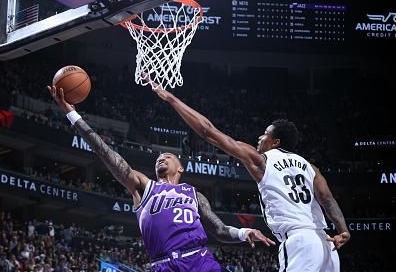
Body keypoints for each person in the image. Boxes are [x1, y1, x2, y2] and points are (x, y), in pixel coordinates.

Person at [47, 86, 275, 272]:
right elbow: (105, 152)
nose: (160, 158)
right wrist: (72, 115)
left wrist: (245, 233)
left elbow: (220, 231)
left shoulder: (194, 194)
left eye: (167, 156)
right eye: (158, 157)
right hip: (163, 265)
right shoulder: (143, 187)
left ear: (181, 168)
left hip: (199, 261)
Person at [149, 85, 351, 272]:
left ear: (275, 142)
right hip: (327, 246)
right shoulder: (310, 167)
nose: (259, 138)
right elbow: (327, 199)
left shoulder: (261, 160)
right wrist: (343, 230)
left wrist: (172, 99)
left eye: (265, 134)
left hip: (300, 242)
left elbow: (208, 131)